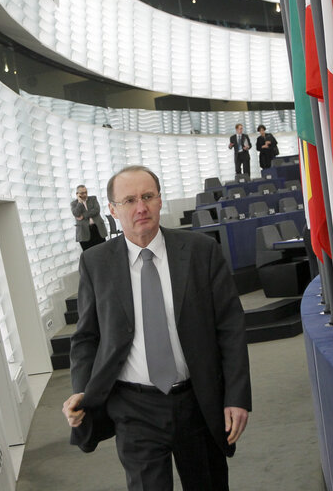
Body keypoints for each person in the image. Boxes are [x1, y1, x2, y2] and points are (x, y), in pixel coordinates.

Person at [63, 165, 251, 490]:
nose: (141, 208)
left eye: (148, 196)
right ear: (112, 209)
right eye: (129, 200)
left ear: (160, 200)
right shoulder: (96, 263)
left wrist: (236, 396)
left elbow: (230, 328)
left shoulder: (200, 251)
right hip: (133, 408)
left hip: (198, 401)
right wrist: (80, 389)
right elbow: (86, 338)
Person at [71, 185, 107, 251]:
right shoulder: (74, 204)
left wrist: (83, 216)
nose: (85, 194)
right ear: (77, 194)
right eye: (82, 193)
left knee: (103, 250)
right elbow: (76, 214)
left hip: (97, 229)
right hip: (84, 231)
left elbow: (96, 210)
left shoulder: (93, 199)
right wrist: (80, 203)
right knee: (88, 254)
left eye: (86, 192)